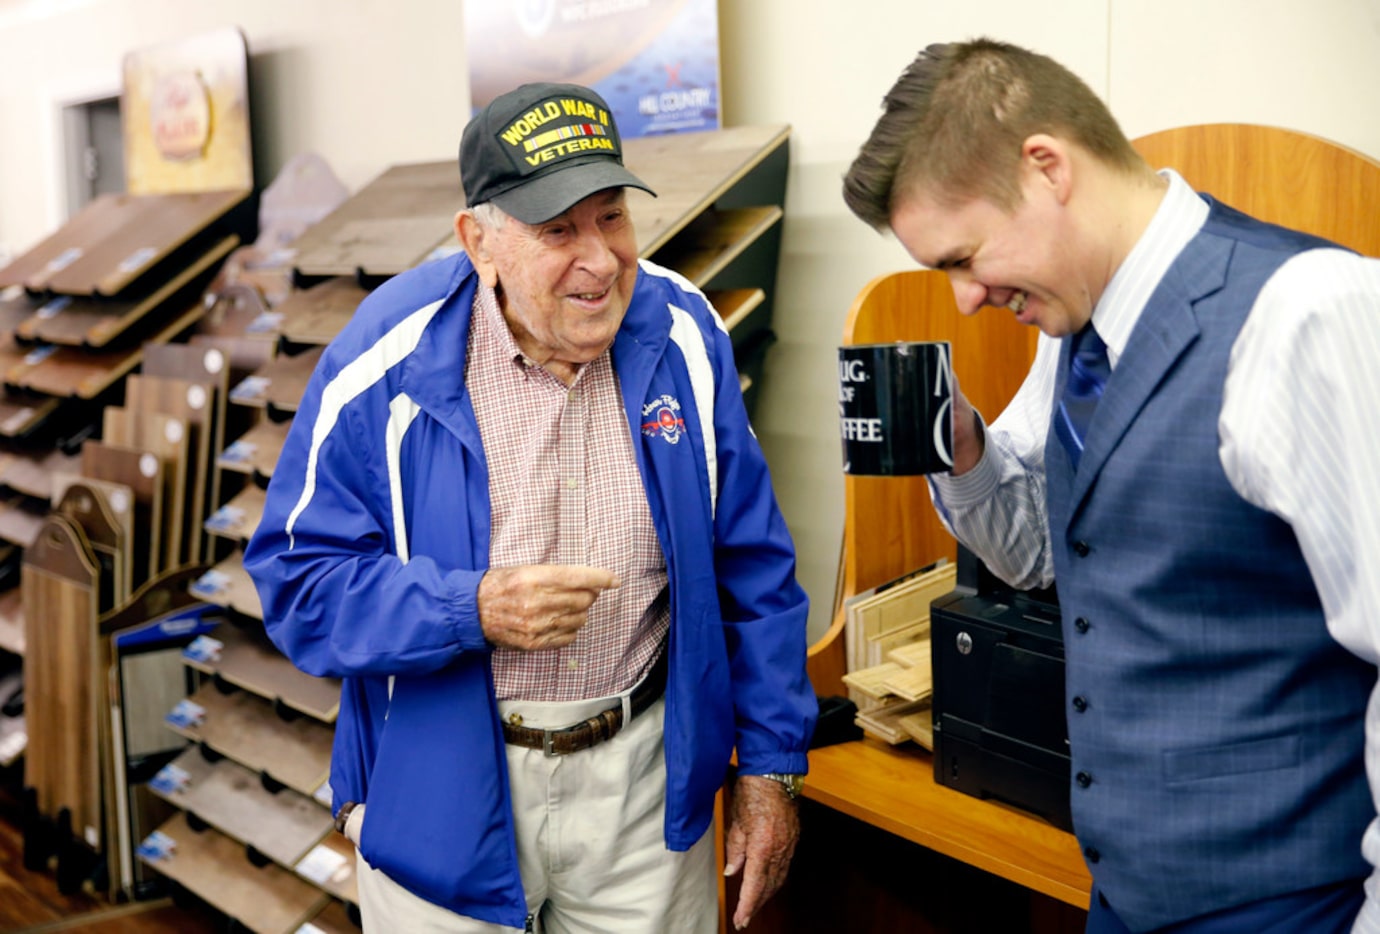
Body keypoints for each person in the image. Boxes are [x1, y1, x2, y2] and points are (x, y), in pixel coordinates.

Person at [245, 81, 815, 933]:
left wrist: (771, 769)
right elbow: (296, 582)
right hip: (446, 789)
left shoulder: (685, 334)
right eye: (558, 231)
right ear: (480, 241)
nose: (600, 259)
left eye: (612, 217)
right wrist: (466, 607)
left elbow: (753, 565)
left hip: (645, 795)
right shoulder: (385, 360)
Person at [842, 38, 1380, 934]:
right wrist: (963, 446)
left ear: (1046, 167)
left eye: (965, 257)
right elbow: (1041, 553)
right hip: (1127, 890)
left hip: (1289, 904)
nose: (966, 298)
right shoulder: (1073, 336)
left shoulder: (1313, 313)